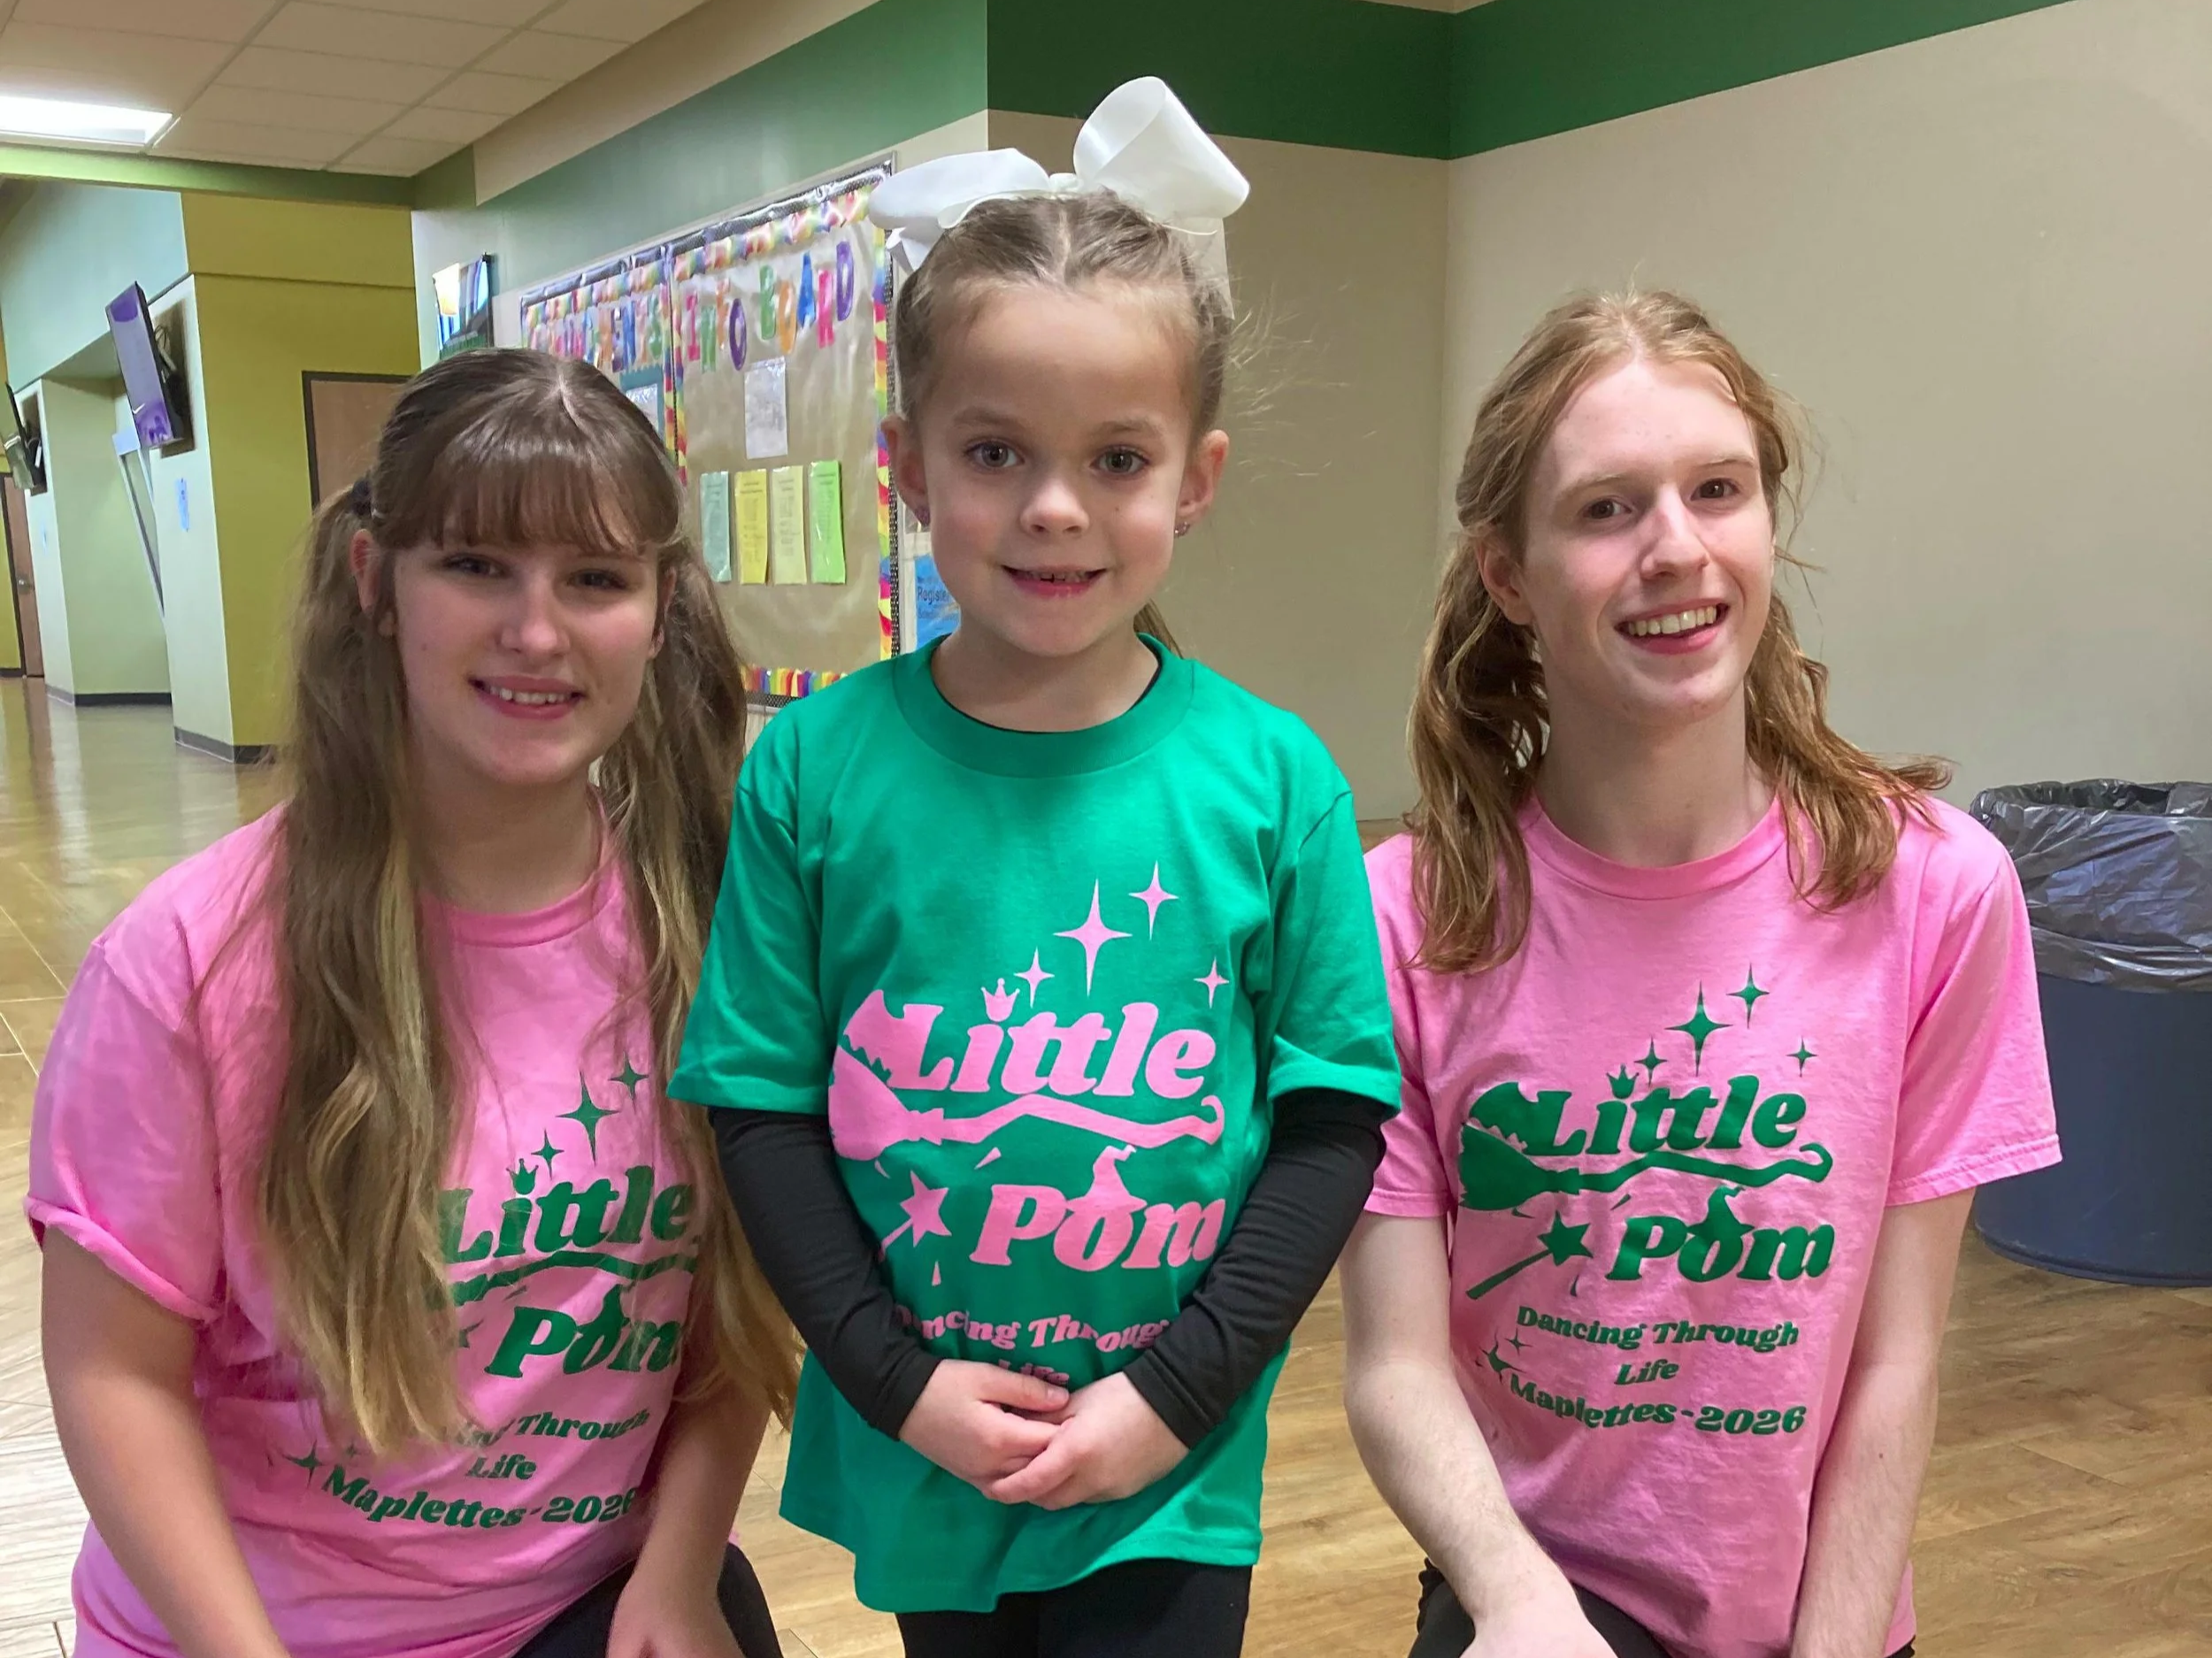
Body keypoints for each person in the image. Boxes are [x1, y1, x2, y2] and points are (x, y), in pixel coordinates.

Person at [672, 78, 1401, 1658]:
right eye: (996, 450)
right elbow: (762, 1114)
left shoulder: (1275, 782)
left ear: (1194, 478)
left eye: (1117, 458)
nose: (1055, 508)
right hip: (929, 1446)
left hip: (1166, 1468)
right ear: (908, 465)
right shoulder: (810, 772)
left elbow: (1333, 1125)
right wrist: (899, 1383)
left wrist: (1175, 1394)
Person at [29, 349, 797, 1658]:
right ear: (375, 582)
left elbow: (734, 1304)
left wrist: (678, 1572)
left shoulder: (714, 922)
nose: (537, 632)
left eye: (595, 578)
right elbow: (113, 1375)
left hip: (589, 1604)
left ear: (661, 608)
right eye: (477, 565)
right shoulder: (187, 964)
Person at [1341, 292, 2060, 1658]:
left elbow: (1896, 1360)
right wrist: (1520, 1599)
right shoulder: (1403, 920)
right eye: (1606, 509)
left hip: (1821, 1608)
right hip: (1540, 1591)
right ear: (1509, 575)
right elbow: (1394, 1364)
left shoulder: (1939, 892)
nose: (1676, 547)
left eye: (1717, 490)